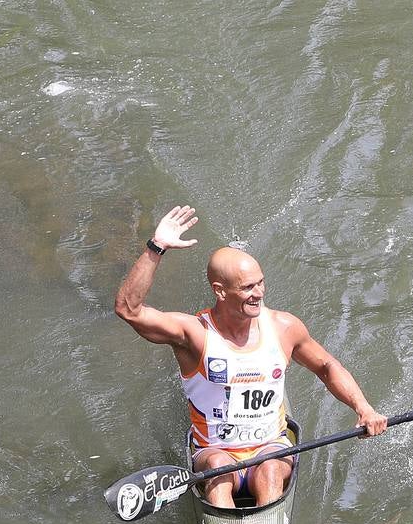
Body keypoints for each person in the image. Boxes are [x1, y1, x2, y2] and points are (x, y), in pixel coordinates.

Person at [115, 204, 387, 508]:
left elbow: (326, 365)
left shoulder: (284, 327)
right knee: (219, 472)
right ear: (220, 291)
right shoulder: (194, 333)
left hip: (270, 447)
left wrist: (363, 408)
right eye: (247, 287)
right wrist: (157, 246)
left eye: (260, 283)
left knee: (269, 469)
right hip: (214, 451)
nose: (258, 293)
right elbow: (129, 309)